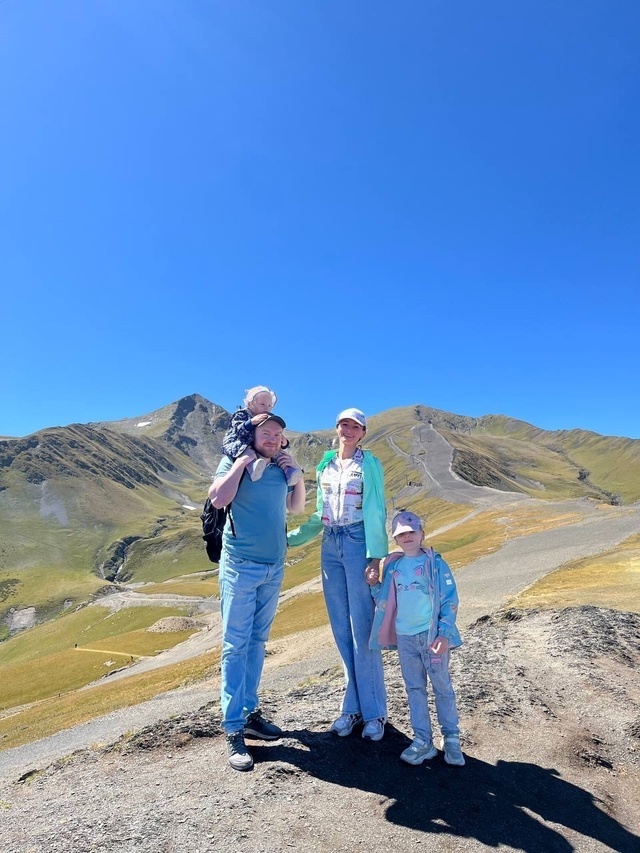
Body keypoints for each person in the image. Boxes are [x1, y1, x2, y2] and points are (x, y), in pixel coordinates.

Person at [209, 413, 306, 771]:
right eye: (266, 433)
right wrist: (239, 465)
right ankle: (233, 729)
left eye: (278, 434)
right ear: (252, 434)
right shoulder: (235, 460)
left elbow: (296, 508)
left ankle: (250, 712)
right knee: (235, 646)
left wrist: (297, 476)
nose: (273, 438)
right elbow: (219, 499)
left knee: (257, 643)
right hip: (240, 567)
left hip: (273, 568)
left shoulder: (281, 467)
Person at [288, 408, 388, 741]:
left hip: (359, 540)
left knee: (363, 627)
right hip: (330, 545)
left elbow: (377, 508)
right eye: (343, 424)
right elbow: (320, 513)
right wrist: (292, 539)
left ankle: (375, 714)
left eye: (354, 426)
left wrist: (376, 556)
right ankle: (352, 708)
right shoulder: (325, 464)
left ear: (363, 432)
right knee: (341, 628)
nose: (347, 430)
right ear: (337, 428)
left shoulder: (369, 465)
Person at [366, 510, 465, 766]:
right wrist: (374, 584)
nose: (407, 537)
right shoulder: (394, 566)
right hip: (405, 638)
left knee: (442, 686)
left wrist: (444, 634)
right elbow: (384, 598)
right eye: (401, 534)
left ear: (422, 533)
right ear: (395, 539)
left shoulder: (435, 563)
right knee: (414, 689)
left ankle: (451, 737)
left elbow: (449, 599)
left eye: (412, 531)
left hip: (432, 637)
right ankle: (423, 740)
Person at [222, 385, 302, 485]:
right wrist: (251, 422)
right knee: (247, 451)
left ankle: (289, 472)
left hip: (256, 443)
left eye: (269, 405)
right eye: (262, 404)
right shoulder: (242, 414)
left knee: (279, 454)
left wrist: (284, 443)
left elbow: (275, 435)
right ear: (250, 404)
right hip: (240, 440)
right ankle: (252, 467)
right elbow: (238, 430)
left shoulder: (268, 418)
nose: (266, 408)